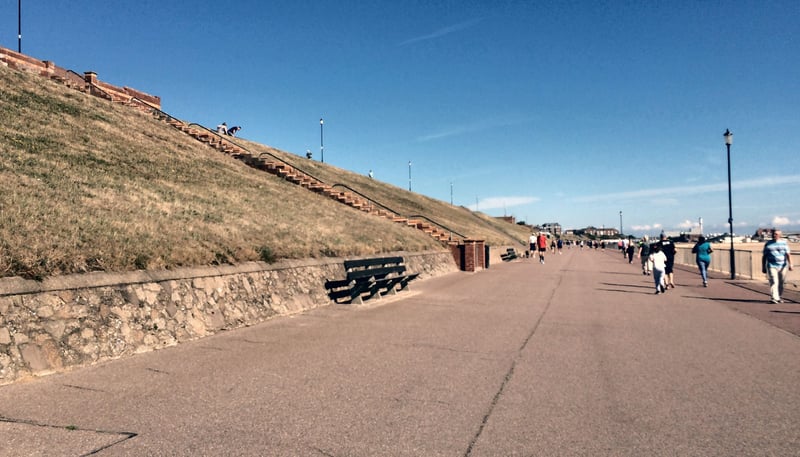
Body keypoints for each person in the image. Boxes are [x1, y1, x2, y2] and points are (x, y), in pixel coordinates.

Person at [762, 229, 793, 303]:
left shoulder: (784, 243)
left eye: (776, 234)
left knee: (781, 282)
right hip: (771, 265)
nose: (774, 235)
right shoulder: (768, 244)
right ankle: (774, 298)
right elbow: (764, 256)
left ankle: (778, 296)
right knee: (774, 281)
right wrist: (763, 266)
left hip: (782, 266)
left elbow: (788, 254)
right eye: (773, 234)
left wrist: (791, 264)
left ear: (780, 235)